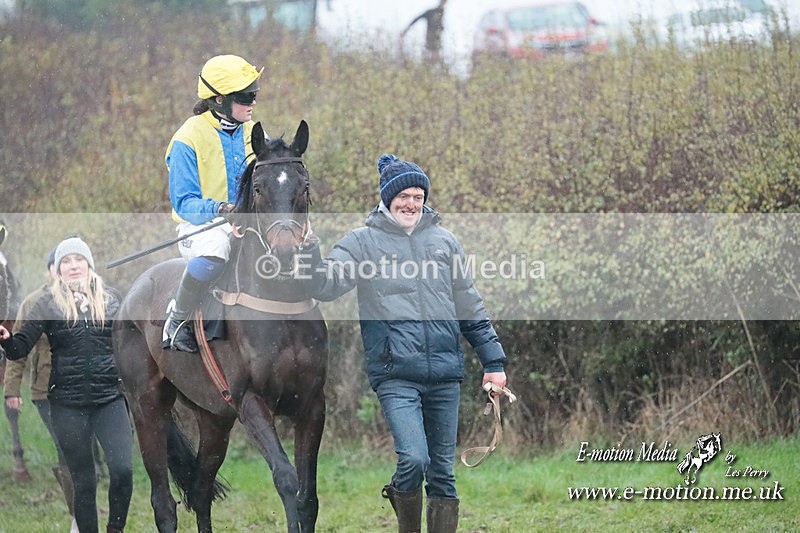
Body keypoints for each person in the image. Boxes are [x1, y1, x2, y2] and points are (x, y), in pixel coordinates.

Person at [307, 154, 508, 533]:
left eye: (418, 195)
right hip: (395, 373)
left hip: (446, 375)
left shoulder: (444, 241)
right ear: (387, 198)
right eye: (404, 196)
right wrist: (306, 249)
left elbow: (469, 304)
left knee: (442, 473)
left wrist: (493, 362)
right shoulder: (361, 243)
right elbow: (325, 285)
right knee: (414, 460)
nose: (411, 203)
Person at [0, 237, 133, 533]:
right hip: (67, 405)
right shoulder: (47, 303)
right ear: (58, 270)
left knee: (123, 471)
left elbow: (133, 342)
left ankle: (115, 528)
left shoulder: (112, 299)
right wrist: (6, 339)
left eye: (78, 260)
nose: (73, 266)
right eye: (66, 262)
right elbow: (20, 347)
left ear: (89, 264)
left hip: (109, 399)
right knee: (83, 480)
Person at [163, 53, 265, 352]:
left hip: (247, 223)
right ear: (219, 100)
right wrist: (222, 210)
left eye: (255, 94)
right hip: (202, 227)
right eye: (247, 96)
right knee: (215, 253)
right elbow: (184, 203)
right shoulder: (187, 139)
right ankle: (177, 321)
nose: (253, 102)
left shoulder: (253, 130)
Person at [401, 0, 448, 65]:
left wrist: (442, 28)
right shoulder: (431, 12)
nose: (444, 4)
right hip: (431, 39)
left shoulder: (441, 13)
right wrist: (405, 30)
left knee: (436, 59)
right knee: (431, 57)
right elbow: (416, 19)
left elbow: (440, 27)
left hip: (437, 41)